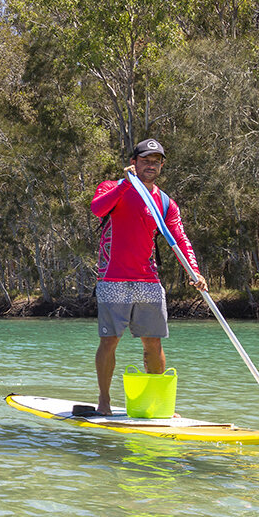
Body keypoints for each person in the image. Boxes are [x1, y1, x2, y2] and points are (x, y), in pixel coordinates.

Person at [91, 139, 208, 415]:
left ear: (162, 166)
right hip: (112, 279)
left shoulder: (166, 203)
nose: (151, 165)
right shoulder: (112, 188)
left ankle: (156, 404)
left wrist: (194, 271)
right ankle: (104, 401)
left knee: (153, 342)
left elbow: (179, 239)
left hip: (148, 280)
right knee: (110, 340)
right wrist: (125, 184)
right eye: (145, 160)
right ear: (134, 162)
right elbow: (97, 209)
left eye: (156, 161)